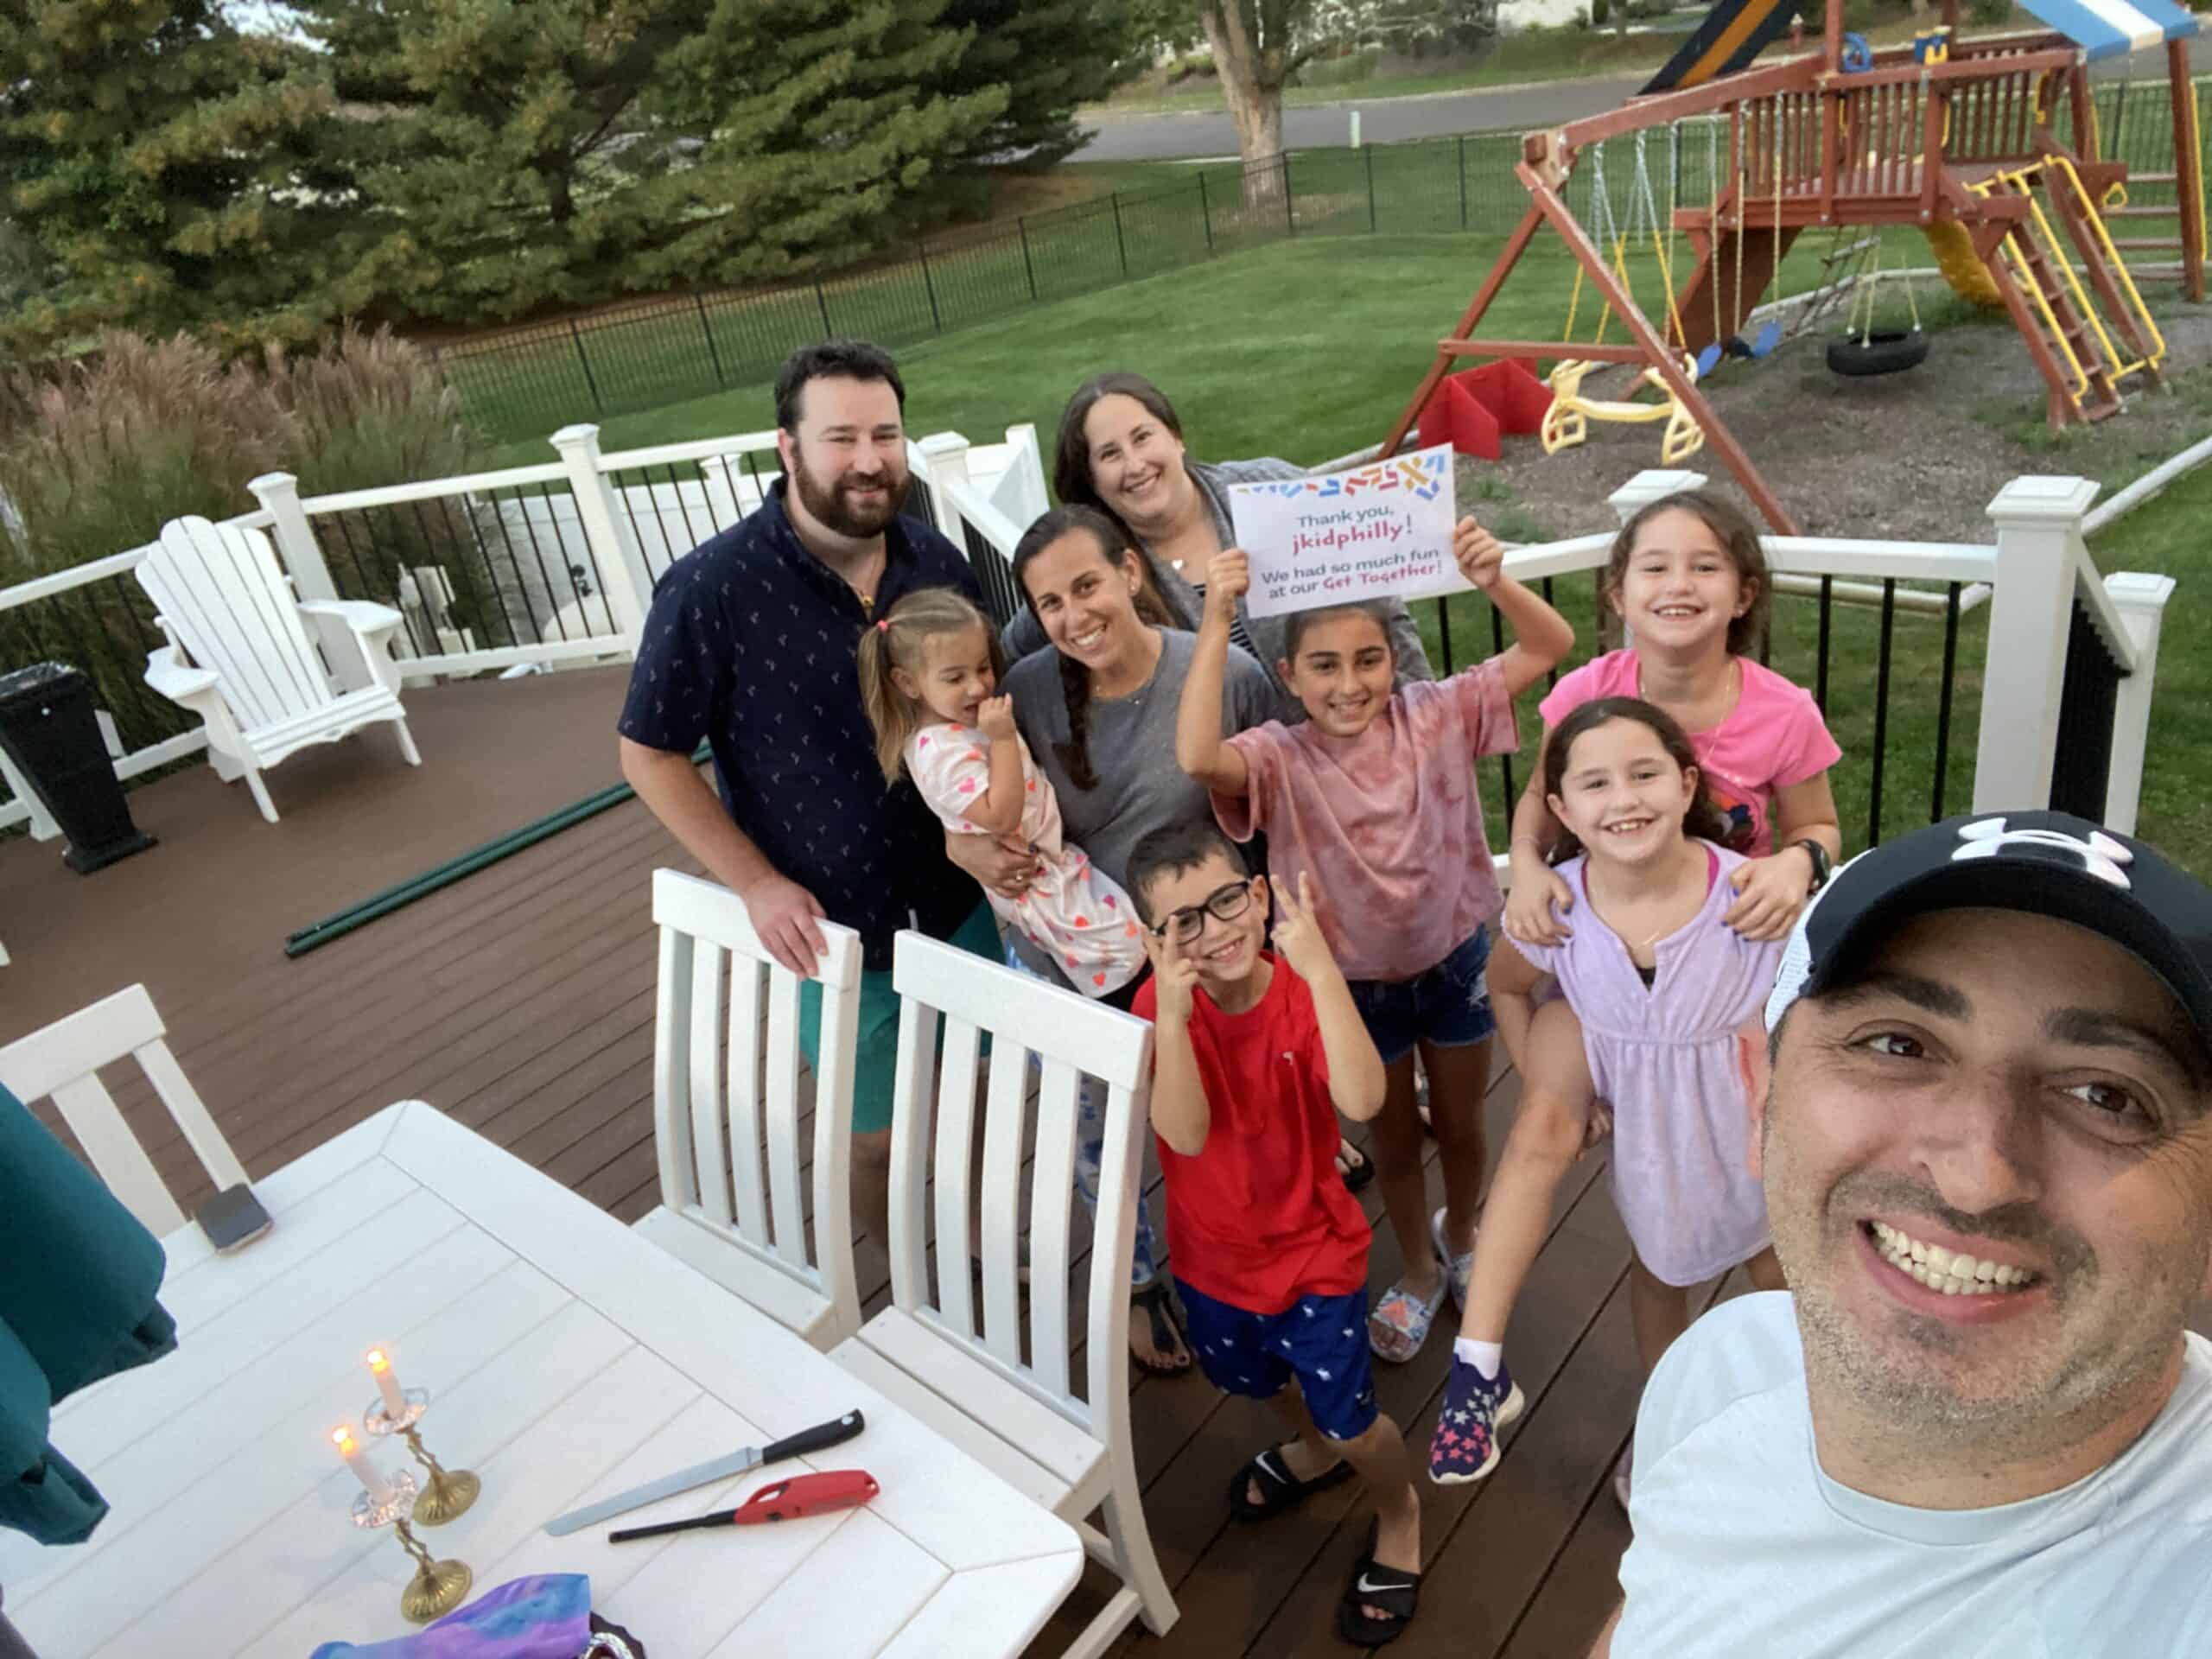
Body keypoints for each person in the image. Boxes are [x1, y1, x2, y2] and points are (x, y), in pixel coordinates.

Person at [1593, 810, 2212, 1656]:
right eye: (1896, 1043)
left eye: (2107, 1095)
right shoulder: (1721, 1370)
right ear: (1760, 1096)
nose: (1976, 1175)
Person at [1456, 487, 1841, 1501]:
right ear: (1617, 589)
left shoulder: (1779, 711)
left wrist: (1798, 864)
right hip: (1607, 967)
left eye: (1704, 565)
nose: (1678, 584)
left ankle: (1815, 1424)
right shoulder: (1587, 688)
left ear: (1742, 590)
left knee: (1768, 1240)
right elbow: (1544, 801)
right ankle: (1484, 1367)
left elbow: (1821, 826)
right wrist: (1530, 872)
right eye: (1654, 566)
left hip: (1726, 972)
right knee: (1560, 1140)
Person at [615, 339, 1001, 1251]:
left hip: (963, 905)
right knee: (870, 1141)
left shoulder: (934, 562)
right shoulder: (711, 589)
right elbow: (650, 753)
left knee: (966, 1096)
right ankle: (900, 1265)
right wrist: (755, 884)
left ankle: (967, 1242)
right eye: (840, 438)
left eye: (885, 434)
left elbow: (985, 701)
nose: (868, 459)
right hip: (835, 932)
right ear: (787, 448)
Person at [1175, 521, 1573, 1365]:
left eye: (1368, 659)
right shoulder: (1277, 757)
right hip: (1351, 987)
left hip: (1456, 961)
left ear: (1394, 659)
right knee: (1393, 1141)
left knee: (1462, 1124)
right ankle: (1421, 1271)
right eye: (1323, 665)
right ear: (1287, 675)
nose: (1349, 684)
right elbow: (1196, 754)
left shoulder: (1437, 713)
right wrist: (1215, 618)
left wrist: (1493, 578)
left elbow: (1550, 641)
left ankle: (1461, 1234)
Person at [942, 501, 1281, 1373]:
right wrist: (962, 842)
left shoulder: (1222, 674)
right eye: (1050, 604)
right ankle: (1132, 1279)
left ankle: (1258, 1260)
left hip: (1202, 947)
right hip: (1074, 955)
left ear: (1130, 572)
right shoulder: (1020, 694)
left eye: (1087, 585)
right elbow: (965, 789)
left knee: (1232, 1123)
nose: (1073, 616)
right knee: (1097, 1130)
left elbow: (1270, 814)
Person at [1431, 698, 1789, 1484]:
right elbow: (1510, 987)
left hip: (1751, 1135)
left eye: (1644, 774)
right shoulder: (1556, 910)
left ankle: (1804, 1435)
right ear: (1560, 807)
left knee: (1790, 1296)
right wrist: (1541, 1077)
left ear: (1688, 783)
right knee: (1661, 1275)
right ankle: (1519, 1379)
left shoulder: (1749, 900)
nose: (1623, 799)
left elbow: (1816, 1002)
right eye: (1594, 783)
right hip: (1651, 1147)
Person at [1126, 821, 1425, 1649]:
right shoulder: (1161, 1006)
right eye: (1181, 921)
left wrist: (1321, 966)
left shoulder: (1300, 993)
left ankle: (1398, 1511)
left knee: (1357, 1420)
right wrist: (1177, 1019)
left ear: (1258, 899)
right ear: (1151, 940)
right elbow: (1183, 1134)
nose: (1211, 930)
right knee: (1257, 1384)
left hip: (1312, 1258)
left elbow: (1364, 1100)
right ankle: (1313, 1446)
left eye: (1225, 901)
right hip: (1212, 1264)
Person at [1002, 371, 1434, 694]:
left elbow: (1381, 602)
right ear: (1092, 480)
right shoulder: (1098, 560)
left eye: (1143, 437)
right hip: (1230, 791)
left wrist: (1424, 715)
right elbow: (1018, 642)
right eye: (1110, 454)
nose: (1135, 465)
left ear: (1176, 437)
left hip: (1353, 750)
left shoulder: (1270, 486)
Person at [856, 584, 1145, 1001]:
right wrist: (1004, 739)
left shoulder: (960, 725)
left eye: (982, 668)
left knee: (1125, 938)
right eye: (955, 677)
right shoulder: (938, 751)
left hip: (1052, 860)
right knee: (1120, 956)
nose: (977, 687)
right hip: (1033, 877)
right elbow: (1000, 814)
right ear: (908, 683)